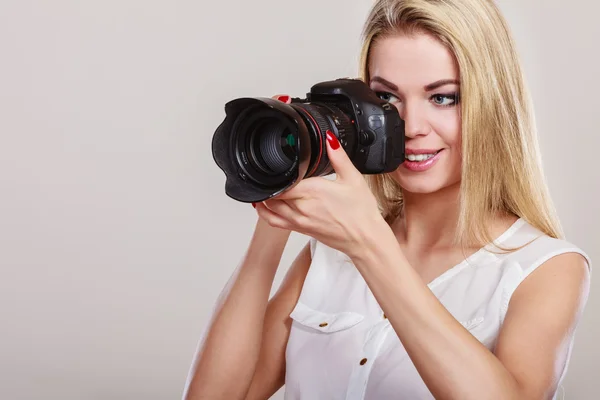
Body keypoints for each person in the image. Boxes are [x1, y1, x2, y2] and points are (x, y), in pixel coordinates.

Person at [183, 0, 592, 398]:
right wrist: (275, 209)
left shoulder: (543, 269)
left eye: (443, 97)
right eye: (388, 98)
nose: (412, 127)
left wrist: (370, 245)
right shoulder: (327, 254)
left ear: (493, 106)